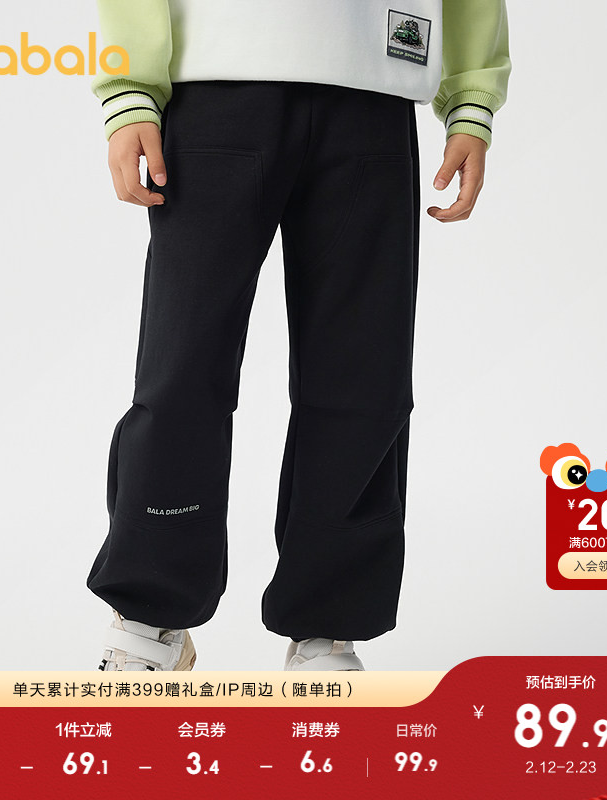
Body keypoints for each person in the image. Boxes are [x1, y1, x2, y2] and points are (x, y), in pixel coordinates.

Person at [85, 0, 511, 671]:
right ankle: (150, 612)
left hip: (373, 86)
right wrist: (131, 91)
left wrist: (472, 98)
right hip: (215, 84)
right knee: (183, 365)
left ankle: (327, 624)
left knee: (361, 377)